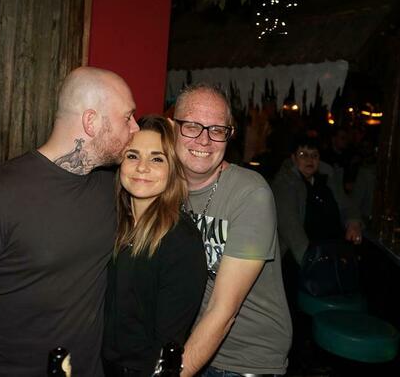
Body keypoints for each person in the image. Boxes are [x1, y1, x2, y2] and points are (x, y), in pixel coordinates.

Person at [0, 66, 139, 377]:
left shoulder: (115, 185)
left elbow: (168, 167)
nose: (135, 127)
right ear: (91, 122)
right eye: (127, 117)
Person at [172, 84, 292, 377]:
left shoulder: (250, 193)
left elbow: (222, 312)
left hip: (244, 358)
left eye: (217, 130)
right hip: (186, 341)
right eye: (192, 126)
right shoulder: (162, 186)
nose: (204, 140)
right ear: (172, 128)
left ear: (229, 135)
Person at [102, 115, 207, 376]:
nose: (142, 167)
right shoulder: (110, 223)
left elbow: (167, 343)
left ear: (173, 170)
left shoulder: (180, 241)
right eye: (133, 156)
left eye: (157, 159)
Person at [271, 134, 363, 266]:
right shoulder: (285, 184)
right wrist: (312, 261)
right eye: (303, 155)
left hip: (333, 251)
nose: (309, 160)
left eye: (314, 155)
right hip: (299, 258)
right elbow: (291, 228)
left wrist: (353, 222)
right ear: (293, 158)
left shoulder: (326, 178)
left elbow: (346, 204)